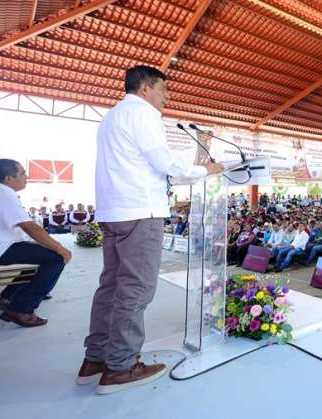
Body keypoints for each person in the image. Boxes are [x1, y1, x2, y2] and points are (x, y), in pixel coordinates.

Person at [80, 65, 223, 394]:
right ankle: (121, 367)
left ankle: (96, 359)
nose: (166, 97)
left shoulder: (112, 117)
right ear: (145, 88)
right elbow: (165, 162)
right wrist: (205, 169)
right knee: (135, 289)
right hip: (140, 212)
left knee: (111, 287)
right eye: (163, 90)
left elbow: (147, 165)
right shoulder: (143, 114)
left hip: (115, 210)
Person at [0, 159, 72, 326]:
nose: (26, 176)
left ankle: (7, 298)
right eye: (22, 173)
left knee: (38, 254)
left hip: (2, 246)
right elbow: (29, 227)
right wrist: (60, 248)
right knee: (55, 258)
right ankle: (22, 309)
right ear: (8, 178)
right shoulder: (3, 193)